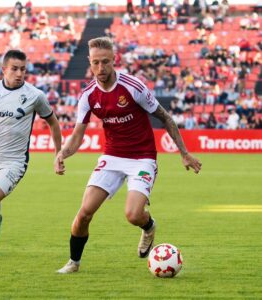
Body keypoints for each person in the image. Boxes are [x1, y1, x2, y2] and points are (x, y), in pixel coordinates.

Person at [55, 37, 202, 274]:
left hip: (142, 157)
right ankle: (74, 262)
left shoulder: (133, 87)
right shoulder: (88, 95)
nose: (100, 69)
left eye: (105, 62)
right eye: (95, 63)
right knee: (84, 213)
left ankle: (149, 226)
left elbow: (165, 117)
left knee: (133, 215)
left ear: (115, 60)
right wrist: (61, 154)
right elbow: (77, 136)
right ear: (89, 63)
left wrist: (184, 153)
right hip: (112, 156)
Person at [0, 49, 64, 255]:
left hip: (14, 160)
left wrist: (58, 154)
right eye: (14, 69)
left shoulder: (35, 95)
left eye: (23, 69)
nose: (19, 74)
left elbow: (53, 123)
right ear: (3, 70)